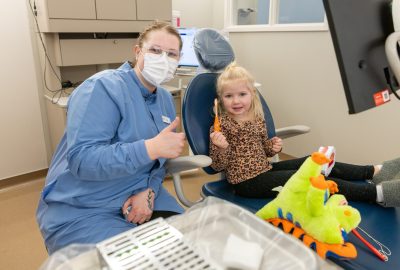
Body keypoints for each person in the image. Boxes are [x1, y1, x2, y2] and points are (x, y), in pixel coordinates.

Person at [36, 21, 186, 254]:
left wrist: (150, 191)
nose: (163, 59)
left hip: (139, 193)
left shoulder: (165, 100)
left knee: (187, 247)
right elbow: (82, 160)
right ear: (138, 52)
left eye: (171, 54)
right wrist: (149, 148)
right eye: (155, 51)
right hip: (85, 207)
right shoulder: (103, 88)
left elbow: (159, 164)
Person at [209, 62, 400, 207]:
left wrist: (273, 146)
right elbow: (218, 165)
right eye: (229, 96)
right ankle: (377, 194)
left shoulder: (256, 118)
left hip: (265, 169)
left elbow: (263, 151)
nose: (236, 100)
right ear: (221, 100)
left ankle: (375, 171)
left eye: (242, 94)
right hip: (247, 183)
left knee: (316, 160)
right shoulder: (221, 127)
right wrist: (221, 148)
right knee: (312, 178)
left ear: (252, 94)